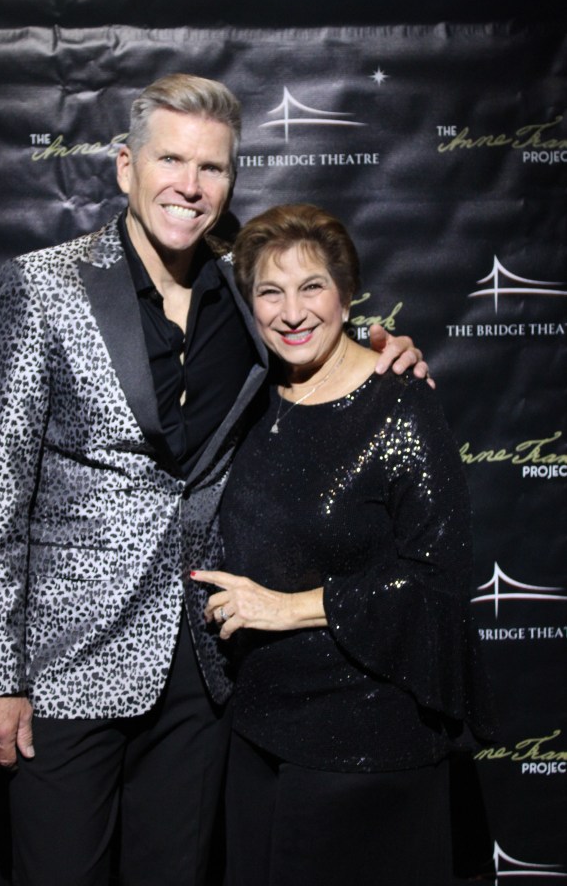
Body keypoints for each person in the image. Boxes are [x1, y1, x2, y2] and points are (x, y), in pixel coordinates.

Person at [0, 77, 430, 886]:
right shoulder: (42, 286)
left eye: (212, 168)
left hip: (202, 667)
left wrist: (386, 350)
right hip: (64, 666)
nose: (190, 185)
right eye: (170, 160)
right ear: (125, 167)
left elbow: (316, 337)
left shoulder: (244, 284)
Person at [192, 203, 494, 886]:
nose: (292, 312)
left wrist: (289, 606)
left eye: (312, 287)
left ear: (347, 294)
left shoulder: (400, 404)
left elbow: (438, 582)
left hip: (366, 744)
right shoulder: (253, 394)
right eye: (270, 292)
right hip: (255, 735)